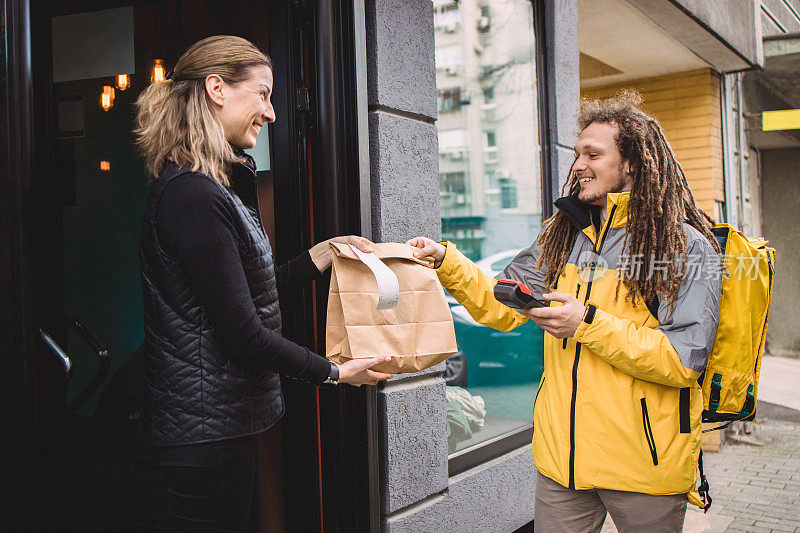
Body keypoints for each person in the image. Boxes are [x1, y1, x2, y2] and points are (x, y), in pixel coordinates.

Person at [408, 91, 722, 532]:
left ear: (631, 163)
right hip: (563, 463)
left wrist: (586, 323)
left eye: (593, 154)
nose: (578, 165)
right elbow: (502, 305)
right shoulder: (562, 234)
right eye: (577, 154)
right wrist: (446, 260)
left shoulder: (684, 247)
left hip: (644, 465)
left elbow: (682, 360)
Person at [134, 35, 392, 530]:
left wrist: (322, 255)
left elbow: (241, 295)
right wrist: (337, 372)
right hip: (204, 441)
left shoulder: (208, 189)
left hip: (216, 430)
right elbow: (243, 334)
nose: (271, 113)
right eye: (263, 94)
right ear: (216, 88)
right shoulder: (193, 195)